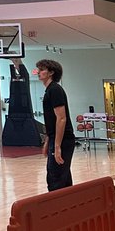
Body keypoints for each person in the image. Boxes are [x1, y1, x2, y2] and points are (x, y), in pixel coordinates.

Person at [37, 58, 77, 191]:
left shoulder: (55, 90)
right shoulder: (49, 90)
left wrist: (57, 146)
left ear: (51, 73)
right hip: (57, 138)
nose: (39, 72)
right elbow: (52, 121)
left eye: (42, 70)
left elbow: (61, 118)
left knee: (55, 179)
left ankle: (56, 209)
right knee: (63, 178)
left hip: (63, 139)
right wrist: (49, 141)